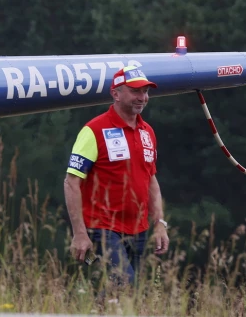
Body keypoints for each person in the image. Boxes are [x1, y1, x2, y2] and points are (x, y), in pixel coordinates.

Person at [64, 65, 169, 287]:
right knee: (124, 284)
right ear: (116, 93)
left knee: (129, 294)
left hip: (139, 229)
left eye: (146, 92)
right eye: (135, 91)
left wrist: (159, 223)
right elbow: (71, 182)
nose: (142, 97)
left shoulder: (147, 132)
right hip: (102, 227)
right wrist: (79, 233)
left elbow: (151, 180)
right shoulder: (93, 130)